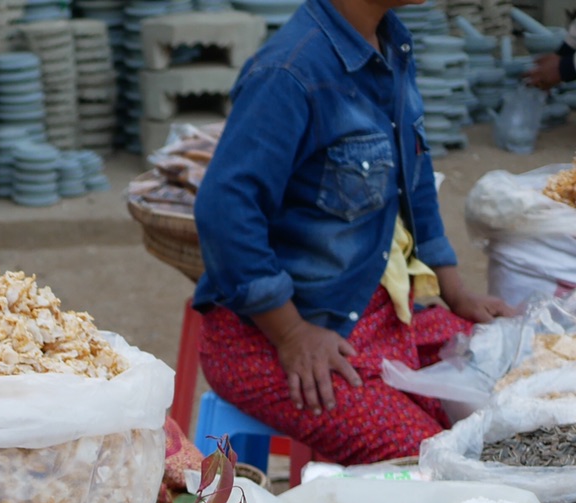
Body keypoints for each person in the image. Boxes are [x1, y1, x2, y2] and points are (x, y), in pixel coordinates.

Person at [191, 0, 512, 466]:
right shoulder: (290, 71)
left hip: (373, 312)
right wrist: (292, 334)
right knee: (433, 462)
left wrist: (455, 291)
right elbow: (225, 210)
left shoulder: (390, 44)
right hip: (270, 338)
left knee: (514, 389)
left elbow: (414, 180)